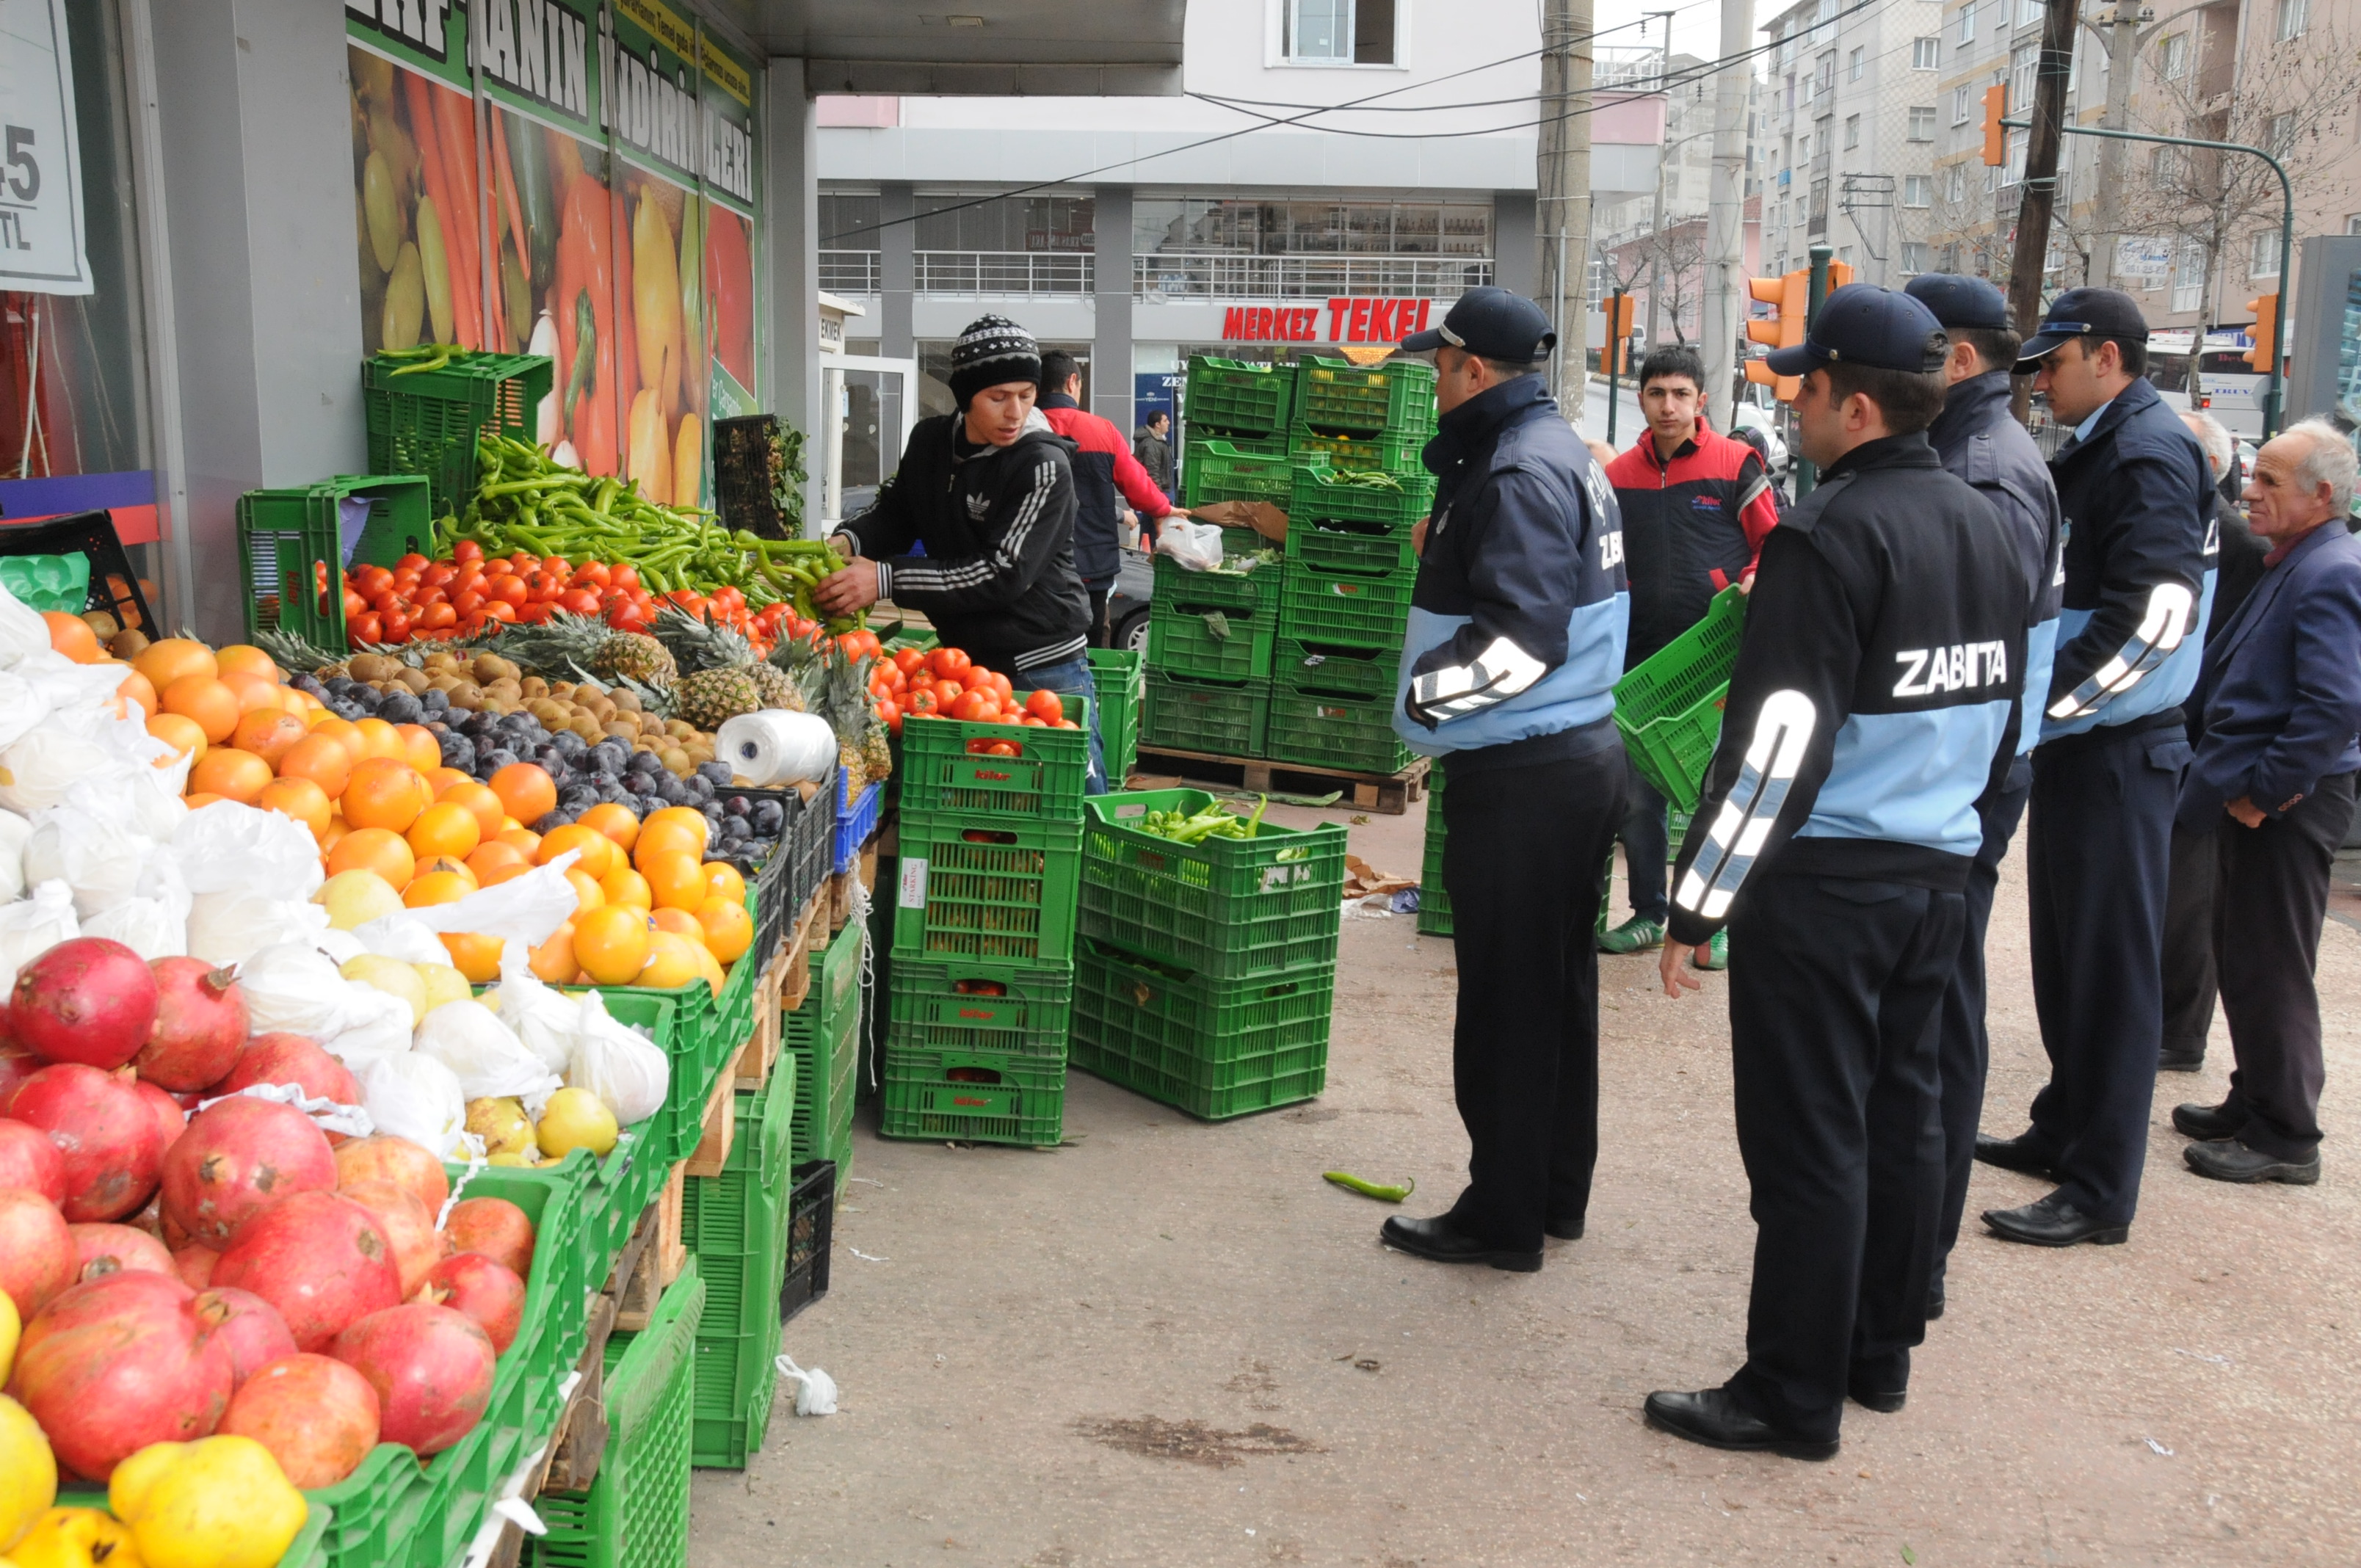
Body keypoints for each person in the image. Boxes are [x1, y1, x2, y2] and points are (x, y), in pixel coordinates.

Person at [1644, 285, 2030, 1459]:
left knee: (1810, 1144)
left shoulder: (1828, 536)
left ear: (1854, 406)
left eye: (1805, 385)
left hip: (1829, 887)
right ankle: (1878, 1355)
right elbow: (2006, 711)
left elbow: (1773, 752)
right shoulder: (1987, 522)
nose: (1793, 403)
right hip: (1938, 876)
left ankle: (1788, 1396)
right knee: (1907, 1122)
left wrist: (1697, 900)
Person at [1376, 286, 1631, 1273]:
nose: (1433, 382)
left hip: (1526, 769)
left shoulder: (1517, 469)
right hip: (1571, 758)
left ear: (1474, 368)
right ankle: (1552, 1192)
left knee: (1508, 1008)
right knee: (1556, 997)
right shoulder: (1555, 450)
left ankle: (1503, 1215)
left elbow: (1523, 636)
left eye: (1438, 366)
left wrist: (1421, 709)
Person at [1976, 288, 2218, 1249]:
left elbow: (2149, 624)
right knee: (2069, 955)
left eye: (2053, 363)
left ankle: (2098, 1186)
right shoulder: (2114, 444)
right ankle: (2062, 1127)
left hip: (2119, 746)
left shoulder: (2150, 453)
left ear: (2107, 357)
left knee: (2111, 975)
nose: (2038, 381)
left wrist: (2040, 711)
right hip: (2089, 742)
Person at [1900, 273, 2062, 1320]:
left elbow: (1971, 655)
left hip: (1969, 783)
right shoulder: (1977, 453)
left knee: (1938, 1018)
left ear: (1958, 361)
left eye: (1912, 354)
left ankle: (1922, 1250)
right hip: (1970, 774)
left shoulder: (1986, 470)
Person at [2169, 419, 2361, 1185]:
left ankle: (2285, 1132)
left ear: (2321, 496)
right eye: (2253, 475)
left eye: (2269, 482)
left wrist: (2266, 793)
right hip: (2257, 793)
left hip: (2284, 801)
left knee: (2272, 962)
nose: (2249, 490)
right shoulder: (2303, 558)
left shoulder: (2331, 570)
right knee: (2244, 954)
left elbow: (2333, 708)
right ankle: (2255, 1097)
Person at [815, 315, 1105, 789]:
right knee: (979, 802)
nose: (1015, 411)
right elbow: (898, 514)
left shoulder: (1043, 465)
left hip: (1043, 667)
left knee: (1070, 804)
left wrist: (885, 579)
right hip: (964, 664)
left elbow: (1001, 573)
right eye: (998, 397)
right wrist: (849, 541)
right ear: (965, 395)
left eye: (1026, 395)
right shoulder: (930, 441)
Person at [1598, 346, 1781, 963]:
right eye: (1656, 394)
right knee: (1637, 794)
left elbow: (1773, 546)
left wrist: (1756, 578)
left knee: (1721, 793)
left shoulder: (1737, 463)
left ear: (1700, 401)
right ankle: (1650, 912)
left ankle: (1711, 923)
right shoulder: (1618, 475)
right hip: (1642, 660)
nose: (1668, 406)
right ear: (1641, 398)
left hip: (1719, 663)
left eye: (1680, 394)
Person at [2159, 409, 2273, 1072]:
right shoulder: (2204, 533)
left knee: (2190, 901)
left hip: (2205, 740)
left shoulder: (2243, 550)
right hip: (2184, 731)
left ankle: (2181, 1032)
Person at [1037, 350, 1176, 646]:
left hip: (1033, 563)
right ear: (1072, 381)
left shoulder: (1020, 428)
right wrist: (1166, 508)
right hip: (1091, 561)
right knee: (1092, 641)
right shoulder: (1101, 430)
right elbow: (1139, 488)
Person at [1133, 407, 1175, 494]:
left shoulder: (1156, 441)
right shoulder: (1152, 443)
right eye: (1165, 420)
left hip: (1154, 491)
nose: (1168, 423)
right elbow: (1152, 472)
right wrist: (1157, 495)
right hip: (1153, 493)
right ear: (1157, 425)